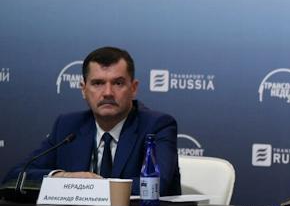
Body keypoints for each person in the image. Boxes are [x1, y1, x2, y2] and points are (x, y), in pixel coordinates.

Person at [4, 46, 181, 196]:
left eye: (118, 83)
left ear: (133, 89)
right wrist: (64, 178)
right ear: (83, 89)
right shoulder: (67, 126)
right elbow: (14, 177)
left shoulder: (157, 126)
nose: (108, 93)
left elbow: (155, 185)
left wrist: (88, 186)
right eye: (98, 83)